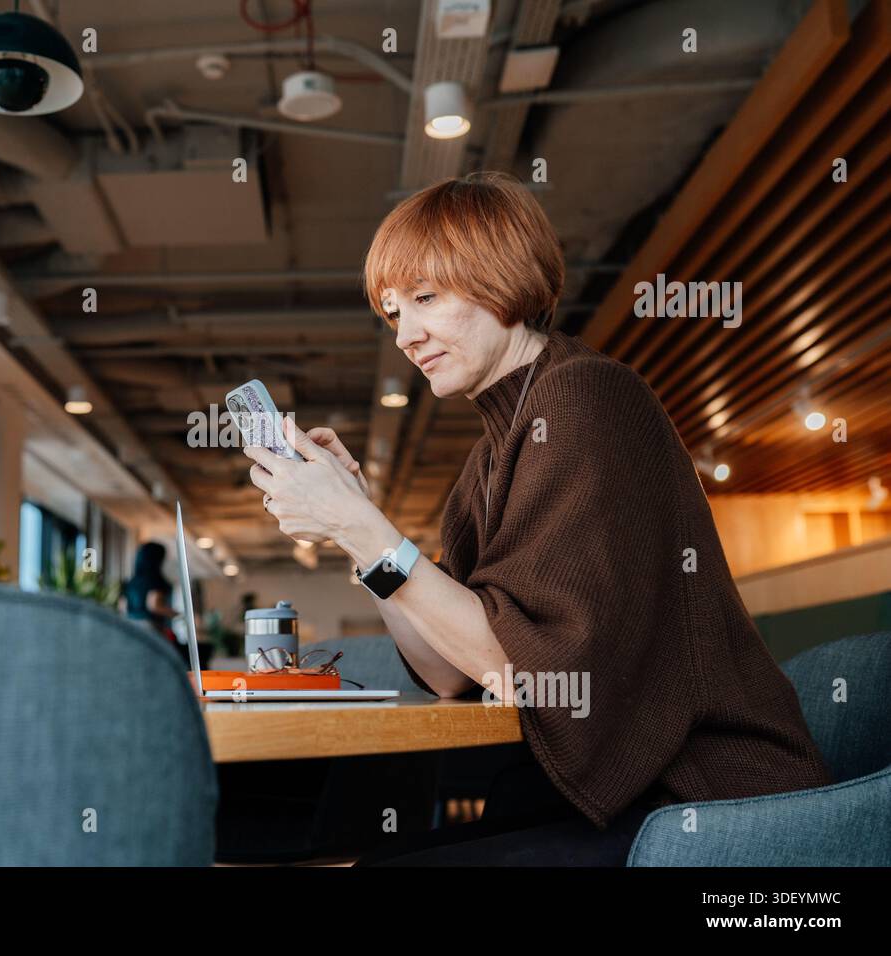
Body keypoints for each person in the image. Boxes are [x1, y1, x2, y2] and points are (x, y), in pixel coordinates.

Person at [243, 171, 831, 865]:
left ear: (501, 277)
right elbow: (453, 673)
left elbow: (525, 669)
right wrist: (359, 526)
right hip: (612, 798)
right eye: (395, 313)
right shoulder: (491, 456)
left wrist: (362, 530)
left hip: (707, 802)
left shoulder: (586, 398)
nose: (405, 335)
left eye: (425, 299)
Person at [122, 542, 183, 662]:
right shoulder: (154, 579)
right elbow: (154, 605)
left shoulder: (131, 582)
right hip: (150, 628)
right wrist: (178, 615)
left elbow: (123, 607)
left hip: (130, 627)